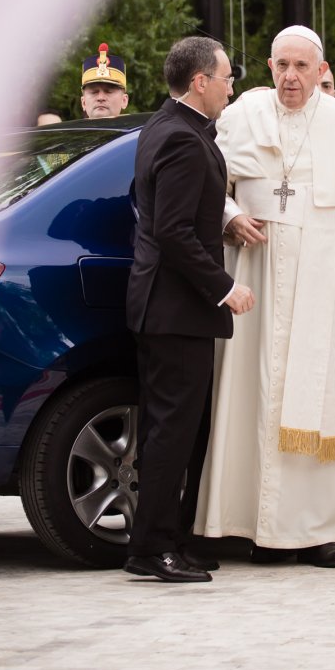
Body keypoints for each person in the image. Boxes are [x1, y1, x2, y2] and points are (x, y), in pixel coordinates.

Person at [194, 25, 335, 568]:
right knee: (254, 392)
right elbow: (206, 184)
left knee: (325, 391)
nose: (290, 77)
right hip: (258, 267)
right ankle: (252, 525)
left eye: (301, 67)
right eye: (281, 66)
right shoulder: (243, 113)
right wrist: (231, 217)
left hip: (334, 272)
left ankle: (321, 529)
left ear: (321, 70)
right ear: (269, 67)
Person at [124, 36, 255, 583]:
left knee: (179, 429)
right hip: (176, 310)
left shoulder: (166, 126)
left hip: (169, 309)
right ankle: (151, 548)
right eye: (226, 77)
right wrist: (224, 286)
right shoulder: (181, 138)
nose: (231, 86)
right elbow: (172, 231)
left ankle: (172, 536)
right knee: (172, 432)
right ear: (200, 81)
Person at [81, 42, 129, 118]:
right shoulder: (64, 130)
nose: (100, 98)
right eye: (94, 92)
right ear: (83, 102)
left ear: (124, 101)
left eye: (109, 91)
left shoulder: (141, 130)